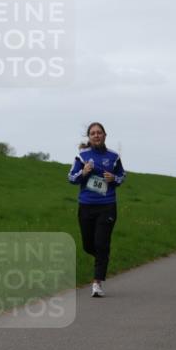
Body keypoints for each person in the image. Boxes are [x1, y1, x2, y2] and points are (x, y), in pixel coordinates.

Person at [67, 122, 125, 297]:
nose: (96, 135)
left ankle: (97, 283)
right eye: (93, 133)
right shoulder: (82, 156)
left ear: (105, 135)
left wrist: (113, 178)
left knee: (101, 243)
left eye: (99, 132)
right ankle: (103, 256)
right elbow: (71, 178)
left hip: (107, 205)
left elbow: (122, 176)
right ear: (89, 137)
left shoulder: (113, 156)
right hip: (86, 205)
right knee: (88, 245)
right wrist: (84, 172)